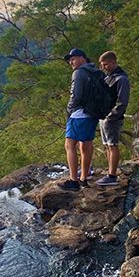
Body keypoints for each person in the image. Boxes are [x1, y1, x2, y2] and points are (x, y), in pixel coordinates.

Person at [59, 48, 101, 191]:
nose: (71, 61)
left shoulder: (79, 73)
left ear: (82, 58)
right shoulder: (95, 71)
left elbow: (75, 95)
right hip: (93, 113)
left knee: (69, 145)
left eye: (73, 58)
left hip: (79, 113)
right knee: (86, 144)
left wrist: (69, 110)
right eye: (69, 60)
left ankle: (73, 180)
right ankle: (83, 178)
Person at [96, 51, 130, 186]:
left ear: (113, 62)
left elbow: (122, 101)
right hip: (103, 117)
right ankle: (109, 172)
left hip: (113, 119)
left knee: (113, 145)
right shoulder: (108, 77)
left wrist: (111, 116)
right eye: (102, 65)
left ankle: (112, 175)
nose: (104, 67)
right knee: (107, 146)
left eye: (105, 64)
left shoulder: (121, 79)